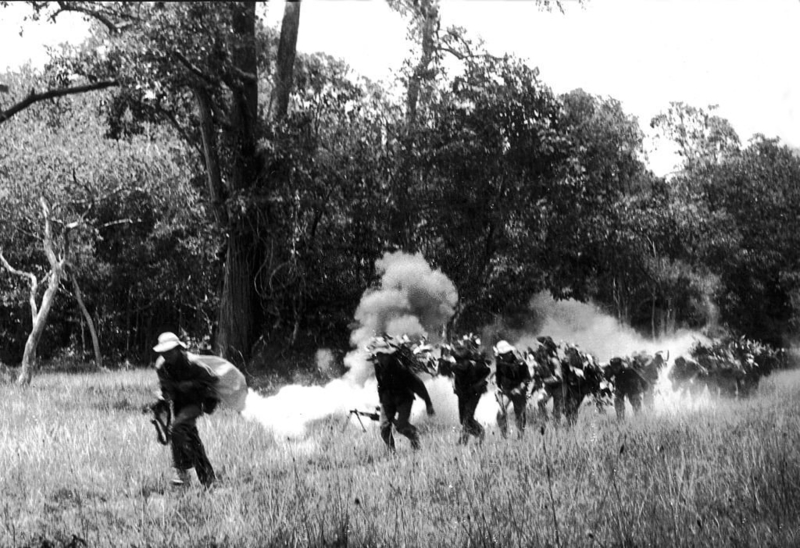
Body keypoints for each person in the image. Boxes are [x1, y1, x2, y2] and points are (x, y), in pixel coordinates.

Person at [152, 331, 247, 487]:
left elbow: (212, 379)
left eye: (170, 351)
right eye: (164, 352)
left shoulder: (194, 363)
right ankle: (207, 479)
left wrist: (191, 384)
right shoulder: (162, 367)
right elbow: (165, 387)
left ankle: (181, 472)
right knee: (188, 437)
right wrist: (164, 398)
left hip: (197, 402)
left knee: (178, 429)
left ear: (178, 349)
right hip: (179, 404)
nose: (167, 355)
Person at [367, 336, 435, 452]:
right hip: (388, 398)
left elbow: (417, 384)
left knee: (402, 427)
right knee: (384, 428)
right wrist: (382, 401)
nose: (380, 357)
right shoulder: (378, 366)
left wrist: (428, 403)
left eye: (383, 354)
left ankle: (414, 437)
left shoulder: (400, 367)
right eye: (378, 355)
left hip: (403, 397)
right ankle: (391, 452)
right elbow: (381, 384)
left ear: (388, 355)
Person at [440, 336, 491, 445]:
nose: (461, 363)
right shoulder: (455, 367)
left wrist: (479, 383)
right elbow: (445, 371)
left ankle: (476, 435)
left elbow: (487, 370)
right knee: (462, 419)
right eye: (458, 360)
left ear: (468, 359)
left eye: (463, 360)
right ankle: (476, 433)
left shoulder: (476, 366)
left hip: (474, 393)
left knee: (467, 418)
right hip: (462, 393)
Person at [493, 340, 531, 438]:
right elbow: (498, 376)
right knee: (500, 413)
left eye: (504, 354)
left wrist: (519, 388)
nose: (502, 356)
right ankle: (504, 436)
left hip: (519, 392)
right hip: (506, 391)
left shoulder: (520, 363)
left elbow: (527, 378)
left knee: (519, 413)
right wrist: (497, 387)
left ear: (509, 353)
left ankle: (520, 436)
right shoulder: (500, 362)